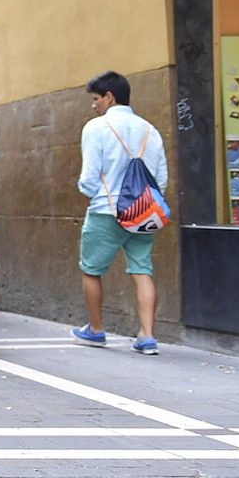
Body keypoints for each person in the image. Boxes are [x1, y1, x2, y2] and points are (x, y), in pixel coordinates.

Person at [71, 71, 167, 354]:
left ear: (109, 97)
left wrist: (91, 193)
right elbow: (161, 177)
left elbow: (89, 177)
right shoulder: (151, 130)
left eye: (95, 98)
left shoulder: (96, 128)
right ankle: (147, 335)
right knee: (142, 270)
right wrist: (145, 203)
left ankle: (96, 329)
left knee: (91, 270)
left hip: (106, 210)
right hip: (144, 212)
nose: (93, 105)